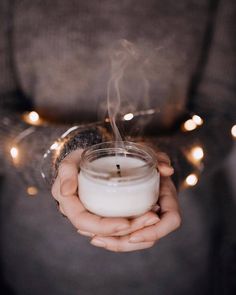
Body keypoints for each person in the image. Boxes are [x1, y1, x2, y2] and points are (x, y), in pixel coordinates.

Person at [0, 0, 235, 294]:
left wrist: (171, 162)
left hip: (184, 255)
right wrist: (64, 151)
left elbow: (223, 115)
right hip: (37, 255)